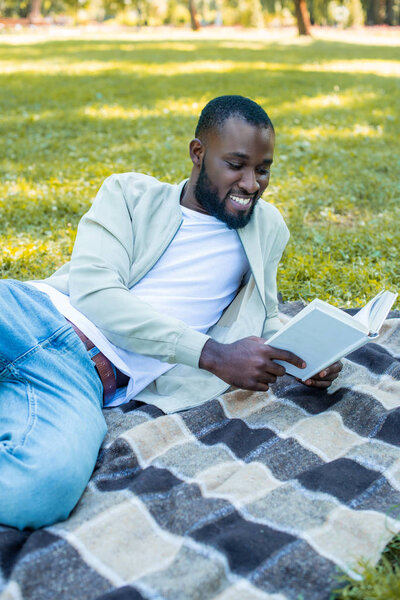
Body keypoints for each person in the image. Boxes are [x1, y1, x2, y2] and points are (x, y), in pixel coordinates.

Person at [0, 95, 342, 531]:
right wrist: (213, 354)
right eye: (236, 164)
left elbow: (265, 314)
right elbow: (96, 292)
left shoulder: (266, 226)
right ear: (198, 154)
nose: (252, 183)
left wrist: (305, 357)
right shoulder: (128, 193)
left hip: (84, 380)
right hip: (28, 316)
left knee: (37, 493)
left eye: (263, 168)